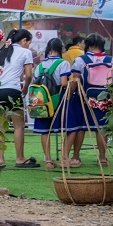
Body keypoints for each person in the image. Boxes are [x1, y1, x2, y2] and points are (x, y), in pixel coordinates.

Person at [64, 33, 113, 167]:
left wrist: (69, 96)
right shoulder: (111, 60)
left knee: (81, 127)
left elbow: (75, 80)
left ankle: (76, 157)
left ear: (88, 45)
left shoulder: (81, 60)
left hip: (83, 97)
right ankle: (102, 158)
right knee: (101, 128)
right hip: (105, 99)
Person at [0, 28, 36, 167]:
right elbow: (29, 75)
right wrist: (25, 88)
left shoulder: (1, 51)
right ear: (24, 40)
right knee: (18, 126)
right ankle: (20, 158)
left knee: (0, 126)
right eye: (29, 42)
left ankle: (0, 159)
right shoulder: (26, 52)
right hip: (12, 90)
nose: (28, 45)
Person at [31, 38, 70, 169]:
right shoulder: (63, 63)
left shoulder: (40, 65)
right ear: (61, 49)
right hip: (57, 100)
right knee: (66, 129)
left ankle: (48, 160)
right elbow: (64, 83)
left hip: (43, 102)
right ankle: (64, 158)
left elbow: (35, 83)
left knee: (44, 131)